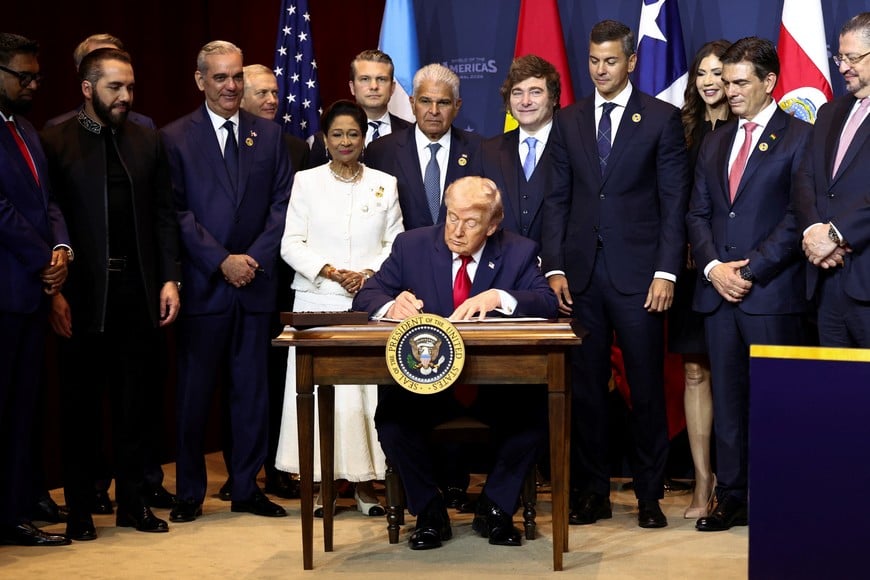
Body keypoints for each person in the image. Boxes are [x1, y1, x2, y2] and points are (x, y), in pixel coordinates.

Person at [353, 176, 558, 550]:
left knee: (533, 417)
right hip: (427, 382)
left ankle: (495, 508)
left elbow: (546, 302)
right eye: (452, 218)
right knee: (394, 421)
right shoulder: (412, 246)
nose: (457, 231)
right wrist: (390, 305)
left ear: (493, 225)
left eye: (471, 222)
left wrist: (500, 297)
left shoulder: (518, 251)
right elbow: (368, 294)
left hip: (492, 385)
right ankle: (429, 513)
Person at [541, 19, 689, 529]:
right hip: (580, 278)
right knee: (585, 392)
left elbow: (674, 205)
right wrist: (555, 266)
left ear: (630, 62)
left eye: (609, 61)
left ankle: (649, 494)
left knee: (646, 389)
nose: (599, 69)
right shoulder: (569, 120)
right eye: (592, 60)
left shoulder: (662, 119)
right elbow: (556, 200)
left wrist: (667, 271)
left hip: (641, 278)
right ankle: (591, 493)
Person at [41, 48, 183, 540]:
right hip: (80, 295)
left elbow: (164, 215)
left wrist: (170, 279)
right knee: (80, 407)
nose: (125, 97)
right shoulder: (54, 140)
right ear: (87, 89)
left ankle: (133, 507)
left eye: (130, 87)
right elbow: (48, 216)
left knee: (135, 407)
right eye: (114, 88)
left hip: (137, 292)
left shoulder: (147, 140)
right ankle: (80, 510)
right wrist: (54, 295)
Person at [160, 40, 292, 523]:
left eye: (237, 76)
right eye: (220, 78)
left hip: (255, 287)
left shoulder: (270, 136)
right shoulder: (174, 137)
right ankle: (189, 492)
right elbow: (176, 211)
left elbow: (282, 207)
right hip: (204, 286)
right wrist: (221, 261)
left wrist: (251, 260)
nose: (232, 86)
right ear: (201, 81)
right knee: (195, 395)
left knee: (252, 392)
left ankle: (245, 488)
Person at [687, 37, 812, 532]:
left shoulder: (802, 136)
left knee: (775, 401)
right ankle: (731, 496)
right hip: (718, 294)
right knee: (730, 402)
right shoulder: (715, 139)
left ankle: (778, 495)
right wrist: (716, 268)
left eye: (740, 82)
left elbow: (797, 214)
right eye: (724, 80)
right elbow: (697, 213)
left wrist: (750, 270)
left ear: (769, 83)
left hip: (771, 295)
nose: (727, 90)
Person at [275, 99, 403, 517]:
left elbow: (395, 244)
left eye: (353, 133)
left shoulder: (385, 182)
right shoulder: (306, 182)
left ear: (364, 138)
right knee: (321, 396)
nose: (345, 141)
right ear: (324, 140)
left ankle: (367, 487)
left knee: (366, 397)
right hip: (317, 302)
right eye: (337, 134)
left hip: (368, 302)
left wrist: (366, 273)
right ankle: (322, 488)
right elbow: (291, 243)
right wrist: (330, 271)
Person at [214, 63, 310, 503]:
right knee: (237, 383)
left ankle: (275, 469)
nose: (273, 100)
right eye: (263, 93)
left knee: (270, 383)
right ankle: (241, 473)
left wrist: (255, 258)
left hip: (280, 280)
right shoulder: (214, 141)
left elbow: (290, 213)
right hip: (222, 280)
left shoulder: (293, 146)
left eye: (276, 92)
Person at [0, 32, 71, 547]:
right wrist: (42, 256)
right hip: (7, 288)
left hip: (31, 294)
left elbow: (48, 200)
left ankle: (17, 507)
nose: (31, 85)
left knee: (23, 408)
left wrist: (62, 250)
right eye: (22, 76)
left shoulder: (25, 128)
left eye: (36, 77)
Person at [674, 40, 733, 519]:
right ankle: (701, 480)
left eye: (719, 73)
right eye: (702, 74)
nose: (710, 82)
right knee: (696, 372)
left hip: (737, 269)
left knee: (736, 375)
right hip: (691, 270)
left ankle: (738, 481)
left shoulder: (750, 127)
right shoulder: (682, 128)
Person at [796, 12, 870, 347]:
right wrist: (814, 232)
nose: (842, 67)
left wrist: (837, 234)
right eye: (840, 58)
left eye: (852, 58)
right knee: (836, 394)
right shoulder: (829, 112)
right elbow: (805, 176)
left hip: (865, 276)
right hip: (825, 281)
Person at [366, 63, 482, 231]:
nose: (434, 111)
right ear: (412, 103)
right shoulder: (381, 151)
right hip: (402, 253)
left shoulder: (479, 149)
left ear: (457, 106)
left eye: (443, 103)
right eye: (425, 101)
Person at [481, 54, 559, 244]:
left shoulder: (574, 147)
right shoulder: (487, 151)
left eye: (535, 92)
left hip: (560, 269)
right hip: (500, 267)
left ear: (554, 98)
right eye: (517, 93)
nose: (525, 101)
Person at [308, 49, 412, 166]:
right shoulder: (324, 141)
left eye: (381, 79)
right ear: (352, 87)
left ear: (392, 88)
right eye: (365, 79)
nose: (374, 86)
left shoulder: (412, 134)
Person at [45, 34, 155, 130]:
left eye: (115, 57)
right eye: (100, 58)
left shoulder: (145, 127)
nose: (125, 97)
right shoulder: (57, 130)